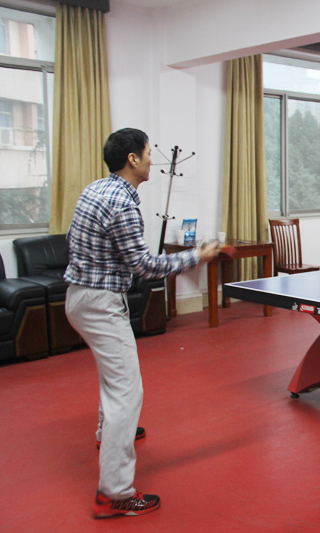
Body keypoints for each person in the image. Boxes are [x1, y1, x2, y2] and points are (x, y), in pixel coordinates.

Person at [64, 128, 219, 518]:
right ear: (132, 159)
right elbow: (144, 266)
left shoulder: (96, 189)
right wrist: (197, 256)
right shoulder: (122, 204)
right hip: (100, 304)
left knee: (113, 377)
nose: (153, 160)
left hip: (78, 298)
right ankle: (114, 494)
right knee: (126, 392)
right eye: (149, 153)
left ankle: (108, 433)